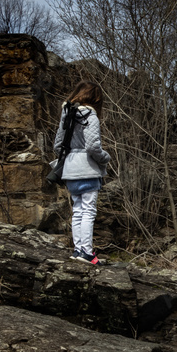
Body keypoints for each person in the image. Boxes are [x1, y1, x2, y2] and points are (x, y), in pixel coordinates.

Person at [53, 81, 111, 265]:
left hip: (70, 170)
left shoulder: (67, 114)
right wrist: (105, 157)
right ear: (95, 98)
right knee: (88, 211)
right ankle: (87, 252)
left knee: (77, 211)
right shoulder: (91, 116)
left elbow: (57, 147)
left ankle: (78, 250)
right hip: (87, 169)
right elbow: (93, 147)